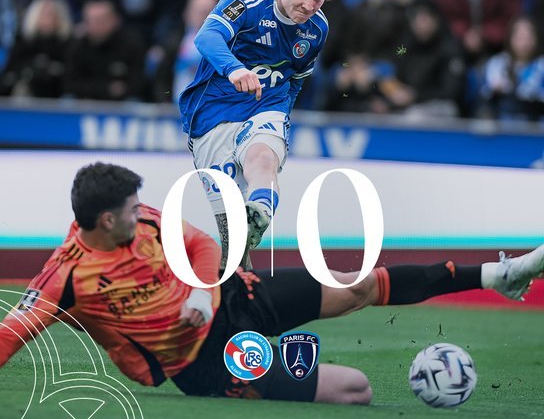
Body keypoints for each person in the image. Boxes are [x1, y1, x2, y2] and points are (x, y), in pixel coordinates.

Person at [0, 162, 543, 404]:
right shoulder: (64, 277)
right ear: (104, 221)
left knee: (354, 284)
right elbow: (10, 335)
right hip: (207, 362)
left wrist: (199, 291)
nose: (140, 209)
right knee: (357, 388)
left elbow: (202, 247)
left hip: (234, 298)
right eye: (128, 207)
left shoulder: (140, 218)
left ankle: (497, 275)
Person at [178, 0, 345, 269]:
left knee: (262, 158)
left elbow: (296, 80)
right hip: (213, 113)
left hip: (267, 105)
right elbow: (207, 36)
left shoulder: (317, 29)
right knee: (234, 245)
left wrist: (282, 118)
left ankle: (259, 212)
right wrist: (235, 69)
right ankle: (240, 269)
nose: (309, 6)